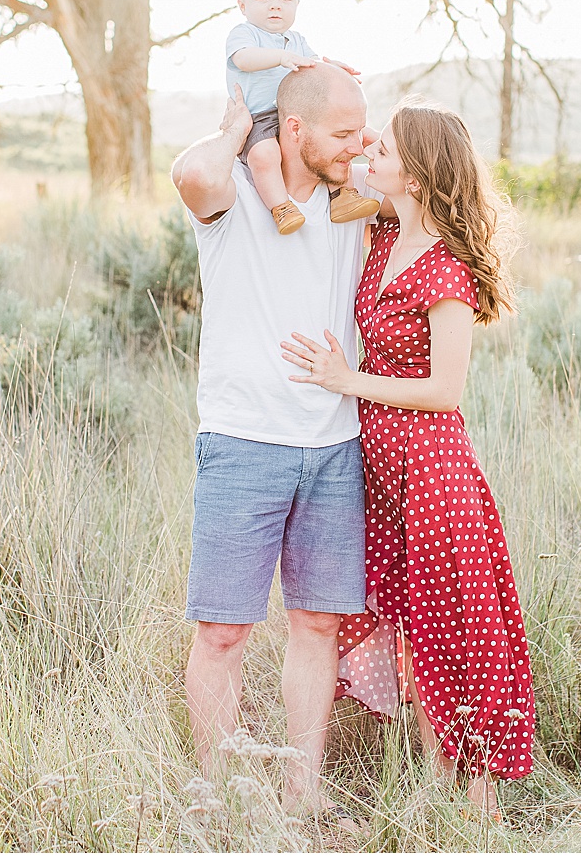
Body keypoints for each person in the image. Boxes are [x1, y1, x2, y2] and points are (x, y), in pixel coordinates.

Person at [279, 98, 536, 821]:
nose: (368, 152)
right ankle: (433, 792)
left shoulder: (447, 270)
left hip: (432, 470)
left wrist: (344, 380)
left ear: (418, 176)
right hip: (382, 470)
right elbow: (329, 178)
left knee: (455, 629)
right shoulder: (382, 233)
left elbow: (445, 390)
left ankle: (479, 807)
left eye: (383, 148)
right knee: (413, 634)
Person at [170, 62, 386, 821]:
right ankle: (221, 792)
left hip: (334, 444)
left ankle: (302, 791)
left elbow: (426, 173)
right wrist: (238, 123)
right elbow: (190, 171)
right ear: (292, 129)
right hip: (243, 440)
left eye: (363, 130)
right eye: (342, 130)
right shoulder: (234, 200)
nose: (357, 143)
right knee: (225, 630)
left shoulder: (353, 202)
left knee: (317, 623)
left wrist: (350, 111)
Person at [226, 0, 380, 235]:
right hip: (259, 116)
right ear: (242, 5)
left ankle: (343, 196)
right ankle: (281, 207)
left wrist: (332, 67)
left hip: (296, 110)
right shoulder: (244, 34)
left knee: (330, 142)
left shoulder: (296, 40)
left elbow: (312, 67)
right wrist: (281, 57)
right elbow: (243, 60)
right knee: (265, 154)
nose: (275, 5)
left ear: (297, 3)